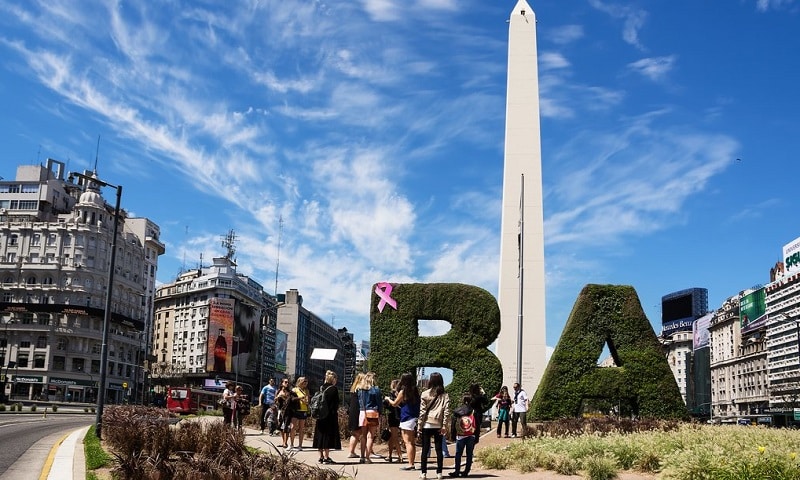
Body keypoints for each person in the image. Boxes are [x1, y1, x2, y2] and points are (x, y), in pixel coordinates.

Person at [418, 372, 450, 480]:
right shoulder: (445, 395)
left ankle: (423, 473)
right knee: (439, 449)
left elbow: (422, 412)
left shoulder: (425, 394)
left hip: (427, 424)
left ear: (430, 381)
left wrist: (419, 426)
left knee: (425, 449)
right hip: (439, 424)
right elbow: (446, 411)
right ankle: (439, 473)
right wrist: (444, 425)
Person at [385, 372, 420, 472]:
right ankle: (411, 462)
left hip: (406, 418)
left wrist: (388, 399)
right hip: (414, 417)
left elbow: (395, 404)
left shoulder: (403, 391)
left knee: (407, 442)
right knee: (412, 442)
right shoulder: (415, 390)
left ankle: (410, 464)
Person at [312, 370, 341, 464]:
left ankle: (320, 456)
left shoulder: (321, 388)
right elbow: (335, 404)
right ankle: (326, 457)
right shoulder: (333, 389)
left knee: (320, 434)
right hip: (329, 416)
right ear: (333, 379)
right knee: (327, 436)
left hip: (320, 415)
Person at [448, 394, 476, 478]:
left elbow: (453, 424)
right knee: (469, 454)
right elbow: (477, 423)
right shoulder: (473, 411)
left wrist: (452, 435)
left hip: (460, 435)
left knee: (458, 454)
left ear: (463, 401)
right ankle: (466, 471)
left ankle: (457, 471)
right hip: (471, 434)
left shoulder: (457, 411)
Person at [358, 371, 383, 463]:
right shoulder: (376, 389)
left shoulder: (360, 390)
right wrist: (380, 412)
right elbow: (379, 403)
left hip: (362, 412)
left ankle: (362, 457)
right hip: (373, 412)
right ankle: (368, 457)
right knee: (370, 436)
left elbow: (359, 403)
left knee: (363, 435)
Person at [347, 373, 366, 459]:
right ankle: (352, 452)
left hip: (352, 412)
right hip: (359, 412)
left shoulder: (353, 389)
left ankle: (352, 451)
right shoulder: (361, 389)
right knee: (358, 433)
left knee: (354, 433)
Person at [384, 379, 403, 464]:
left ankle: (400, 456)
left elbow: (389, 405)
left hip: (393, 416)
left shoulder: (391, 394)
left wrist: (387, 400)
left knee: (394, 436)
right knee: (392, 437)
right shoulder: (402, 393)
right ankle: (390, 455)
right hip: (401, 415)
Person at [290, 377, 310, 450]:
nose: (306, 383)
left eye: (307, 381)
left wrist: (306, 401)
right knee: (293, 427)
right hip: (295, 409)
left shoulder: (306, 390)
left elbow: (307, 400)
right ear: (299, 381)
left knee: (301, 428)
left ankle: (300, 445)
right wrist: (300, 398)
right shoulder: (294, 389)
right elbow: (291, 399)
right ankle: (291, 444)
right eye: (304, 381)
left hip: (303, 409)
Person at [274, 378, 293, 448]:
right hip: (280, 410)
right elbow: (275, 401)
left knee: (286, 426)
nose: (287, 383)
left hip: (288, 411)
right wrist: (278, 397)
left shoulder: (290, 392)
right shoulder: (278, 391)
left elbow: (291, 401)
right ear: (282, 383)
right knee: (281, 426)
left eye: (288, 382)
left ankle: (285, 442)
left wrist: (285, 397)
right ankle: (283, 442)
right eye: (285, 382)